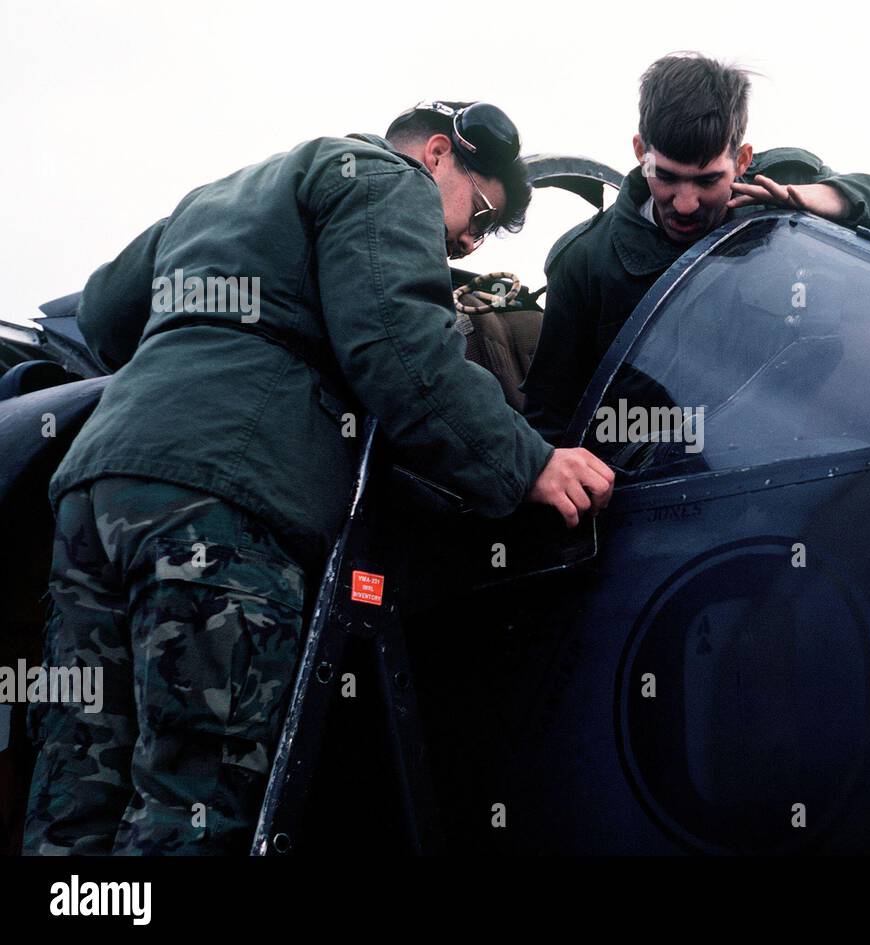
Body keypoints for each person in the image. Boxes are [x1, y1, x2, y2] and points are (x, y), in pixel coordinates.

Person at [22, 101, 614, 855]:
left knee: (77, 791)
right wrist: (529, 460)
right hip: (224, 505)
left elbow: (105, 317)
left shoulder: (220, 198)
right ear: (436, 155)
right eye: (484, 211)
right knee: (193, 798)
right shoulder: (386, 180)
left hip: (97, 494)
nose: (471, 240)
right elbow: (401, 355)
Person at [522, 54, 870, 443]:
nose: (684, 203)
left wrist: (835, 200)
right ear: (641, 151)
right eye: (667, 176)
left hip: (798, 462)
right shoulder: (585, 262)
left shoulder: (791, 191)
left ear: (741, 161)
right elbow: (553, 426)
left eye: (707, 180)